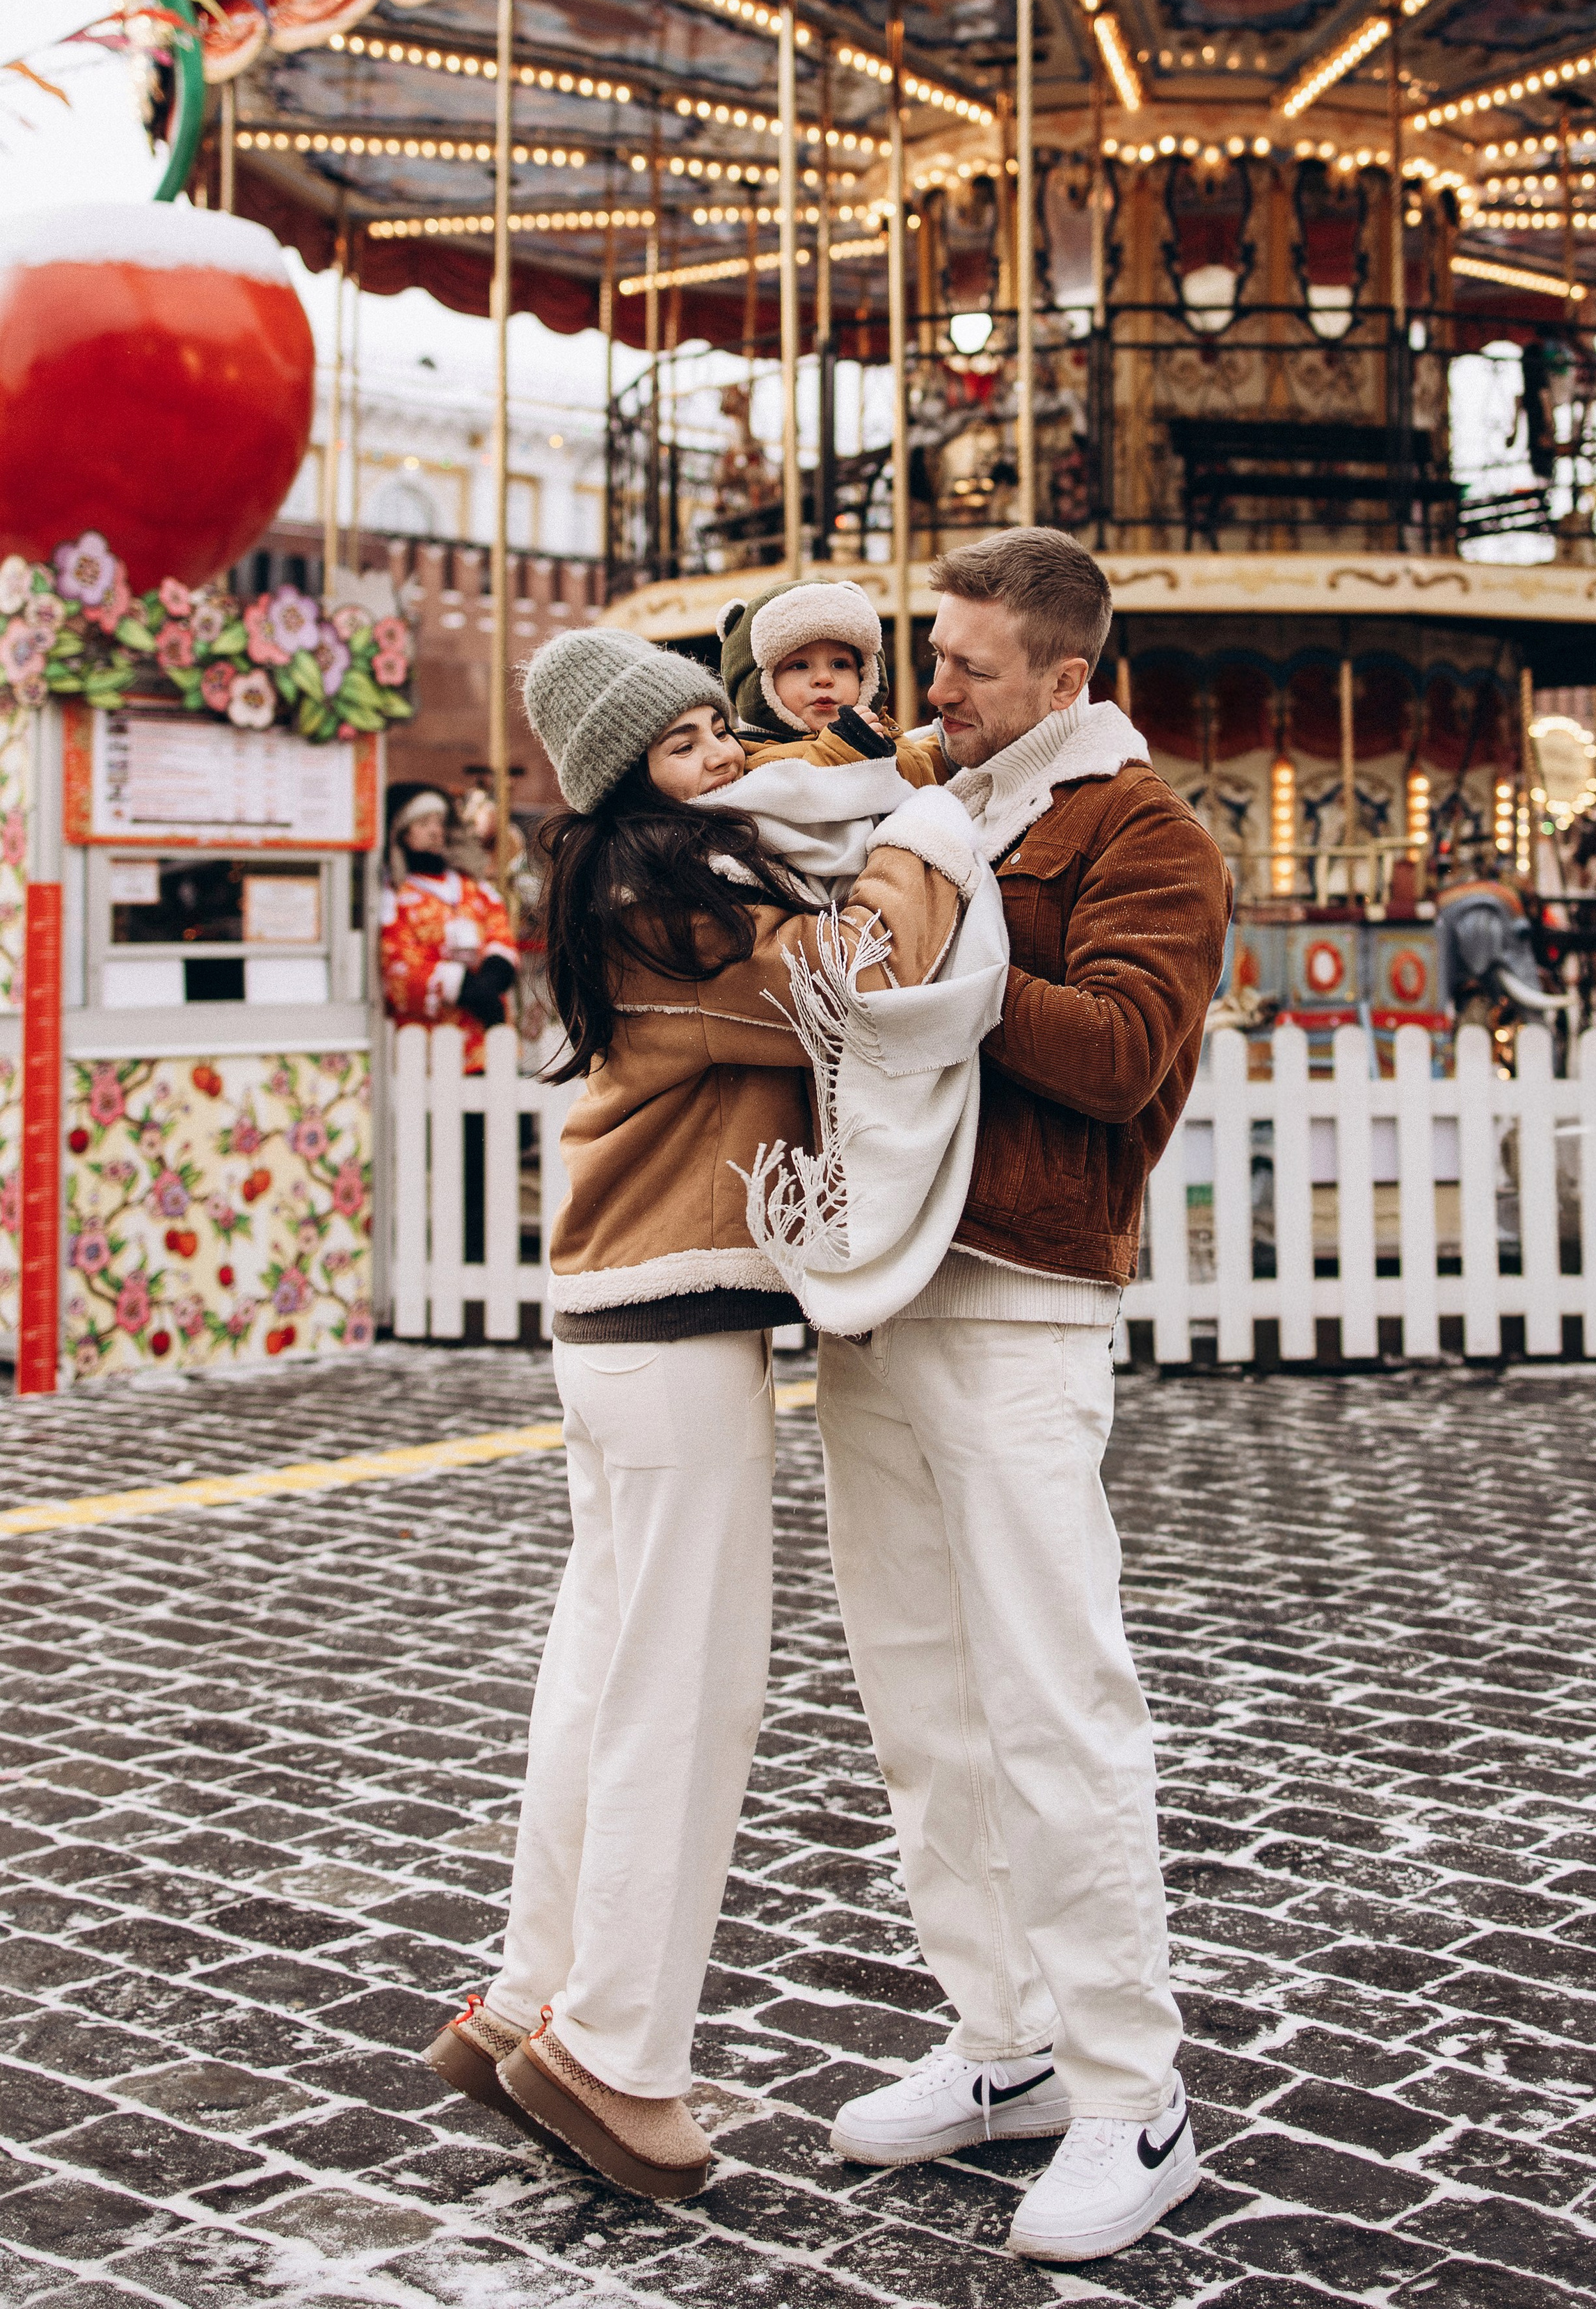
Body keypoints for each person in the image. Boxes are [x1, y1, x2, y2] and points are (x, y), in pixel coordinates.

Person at [423, 628, 980, 2204]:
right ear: (623, 779)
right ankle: (614, 2053)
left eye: (707, 724)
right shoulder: (670, 896)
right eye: (678, 746)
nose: (717, 752)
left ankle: (528, 1992)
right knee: (687, 1688)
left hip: (617, 1328)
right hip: (666, 1336)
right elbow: (844, 980)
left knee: (600, 1673)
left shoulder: (635, 879)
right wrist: (921, 830)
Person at [817, 529, 1232, 2265]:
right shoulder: (938, 799)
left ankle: (1133, 2084)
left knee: (1053, 1701)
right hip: (882, 1290)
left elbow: (1129, 1050)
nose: (929, 688)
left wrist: (942, 990)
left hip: (1022, 1297)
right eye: (932, 654)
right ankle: (1003, 2047)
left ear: (1065, 681)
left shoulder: (1144, 834)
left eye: (965, 665)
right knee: (920, 1698)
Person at [719, 577, 945, 783]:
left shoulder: (879, 729)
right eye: (799, 666)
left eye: (840, 664)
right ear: (758, 685)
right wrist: (843, 749)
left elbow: (919, 771)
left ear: (866, 674)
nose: (824, 679)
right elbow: (797, 793)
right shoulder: (751, 763)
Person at [378, 784, 518, 1070]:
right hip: (430, 1046)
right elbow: (397, 962)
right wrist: (462, 986)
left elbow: (499, 931)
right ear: (403, 833)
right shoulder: (396, 898)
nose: (435, 831)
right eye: (423, 824)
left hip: (487, 1039)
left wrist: (493, 976)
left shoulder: (473, 888)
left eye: (439, 823)